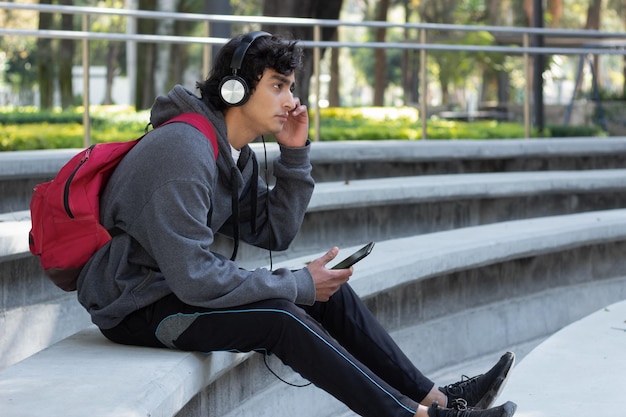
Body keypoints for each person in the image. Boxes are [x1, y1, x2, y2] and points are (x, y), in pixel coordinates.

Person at [76, 31, 517, 417]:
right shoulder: (183, 151)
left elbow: (274, 233)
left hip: (174, 290)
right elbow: (194, 279)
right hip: (139, 309)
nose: (291, 101)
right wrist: (298, 284)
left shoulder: (231, 154)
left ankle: (436, 399)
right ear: (235, 89)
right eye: (278, 86)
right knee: (282, 315)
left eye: (291, 87)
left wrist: (294, 153)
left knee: (328, 294)